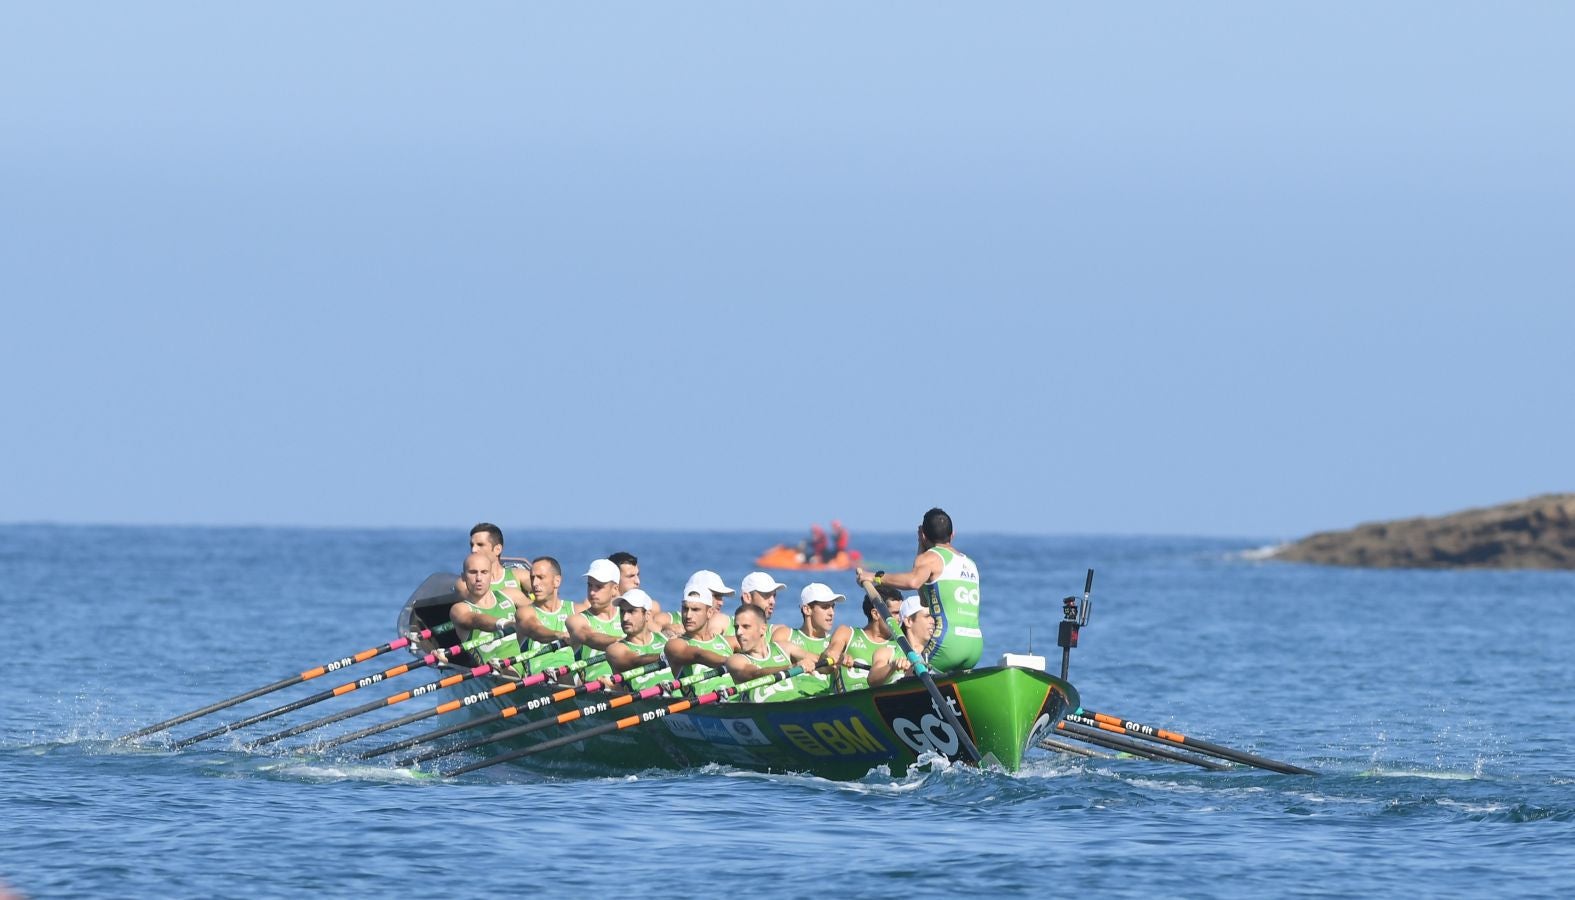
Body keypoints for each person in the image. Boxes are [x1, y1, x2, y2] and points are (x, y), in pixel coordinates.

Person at [854, 506, 981, 672]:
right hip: (975, 645)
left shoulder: (931, 558)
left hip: (948, 643)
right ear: (952, 534)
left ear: (923, 535)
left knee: (909, 675)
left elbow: (913, 582)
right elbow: (923, 600)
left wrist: (876, 577)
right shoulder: (970, 564)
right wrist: (921, 552)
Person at [724, 604, 821, 702]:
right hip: (764, 714)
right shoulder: (735, 660)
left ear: (763, 629)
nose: (739, 632)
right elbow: (756, 673)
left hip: (797, 705)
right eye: (736, 627)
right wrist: (792, 667)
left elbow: (819, 660)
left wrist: (832, 660)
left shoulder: (784, 647)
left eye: (746, 626)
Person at [449, 551, 525, 675]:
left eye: (484, 572)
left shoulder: (510, 595)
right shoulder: (460, 609)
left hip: (529, 665)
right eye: (473, 572)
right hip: (499, 673)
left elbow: (539, 613)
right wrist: (504, 623)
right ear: (463, 577)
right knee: (507, 669)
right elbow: (476, 620)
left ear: (491, 575)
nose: (478, 578)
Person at [662, 572, 738, 696]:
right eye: (685, 609)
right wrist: (731, 662)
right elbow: (698, 655)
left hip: (735, 701)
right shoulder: (674, 645)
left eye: (695, 610)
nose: (688, 615)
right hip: (703, 708)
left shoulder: (729, 641)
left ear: (709, 612)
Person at [825, 583, 907, 691]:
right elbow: (831, 652)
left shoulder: (902, 644)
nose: (900, 618)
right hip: (846, 703)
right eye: (895, 613)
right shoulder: (846, 633)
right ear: (875, 614)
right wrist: (837, 656)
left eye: (901, 613)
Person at [770, 582, 840, 698]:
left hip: (826, 699)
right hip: (792, 700)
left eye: (832, 606)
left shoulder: (835, 642)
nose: (831, 612)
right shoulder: (785, 635)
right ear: (807, 609)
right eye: (825, 607)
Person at [604, 589, 671, 692]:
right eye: (622, 612)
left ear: (647, 615)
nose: (625, 618)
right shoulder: (614, 649)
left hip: (679, 699)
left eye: (631, 611)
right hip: (643, 704)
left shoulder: (666, 639)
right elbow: (634, 661)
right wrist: (666, 657)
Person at [567, 558, 624, 681]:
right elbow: (589, 637)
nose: (592, 592)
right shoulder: (576, 620)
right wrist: (624, 643)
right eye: (589, 585)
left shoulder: (629, 616)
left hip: (626, 685)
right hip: (594, 688)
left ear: (615, 589)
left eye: (599, 586)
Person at [523, 556, 575, 674]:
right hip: (540, 677)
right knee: (563, 675)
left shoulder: (575, 609)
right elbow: (535, 629)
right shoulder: (525, 612)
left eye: (540, 577)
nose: (535, 583)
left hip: (574, 675)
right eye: (532, 578)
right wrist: (560, 635)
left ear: (557, 581)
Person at [866, 595, 931, 687]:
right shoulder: (887, 652)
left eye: (934, 616)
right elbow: (872, 680)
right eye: (927, 616)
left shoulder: (941, 653)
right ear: (908, 621)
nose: (933, 621)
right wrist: (892, 666)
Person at [453, 523, 528, 594]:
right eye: (472, 545)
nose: (473, 550)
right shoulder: (464, 583)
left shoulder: (520, 575)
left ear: (497, 549)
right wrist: (512, 595)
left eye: (480, 545)